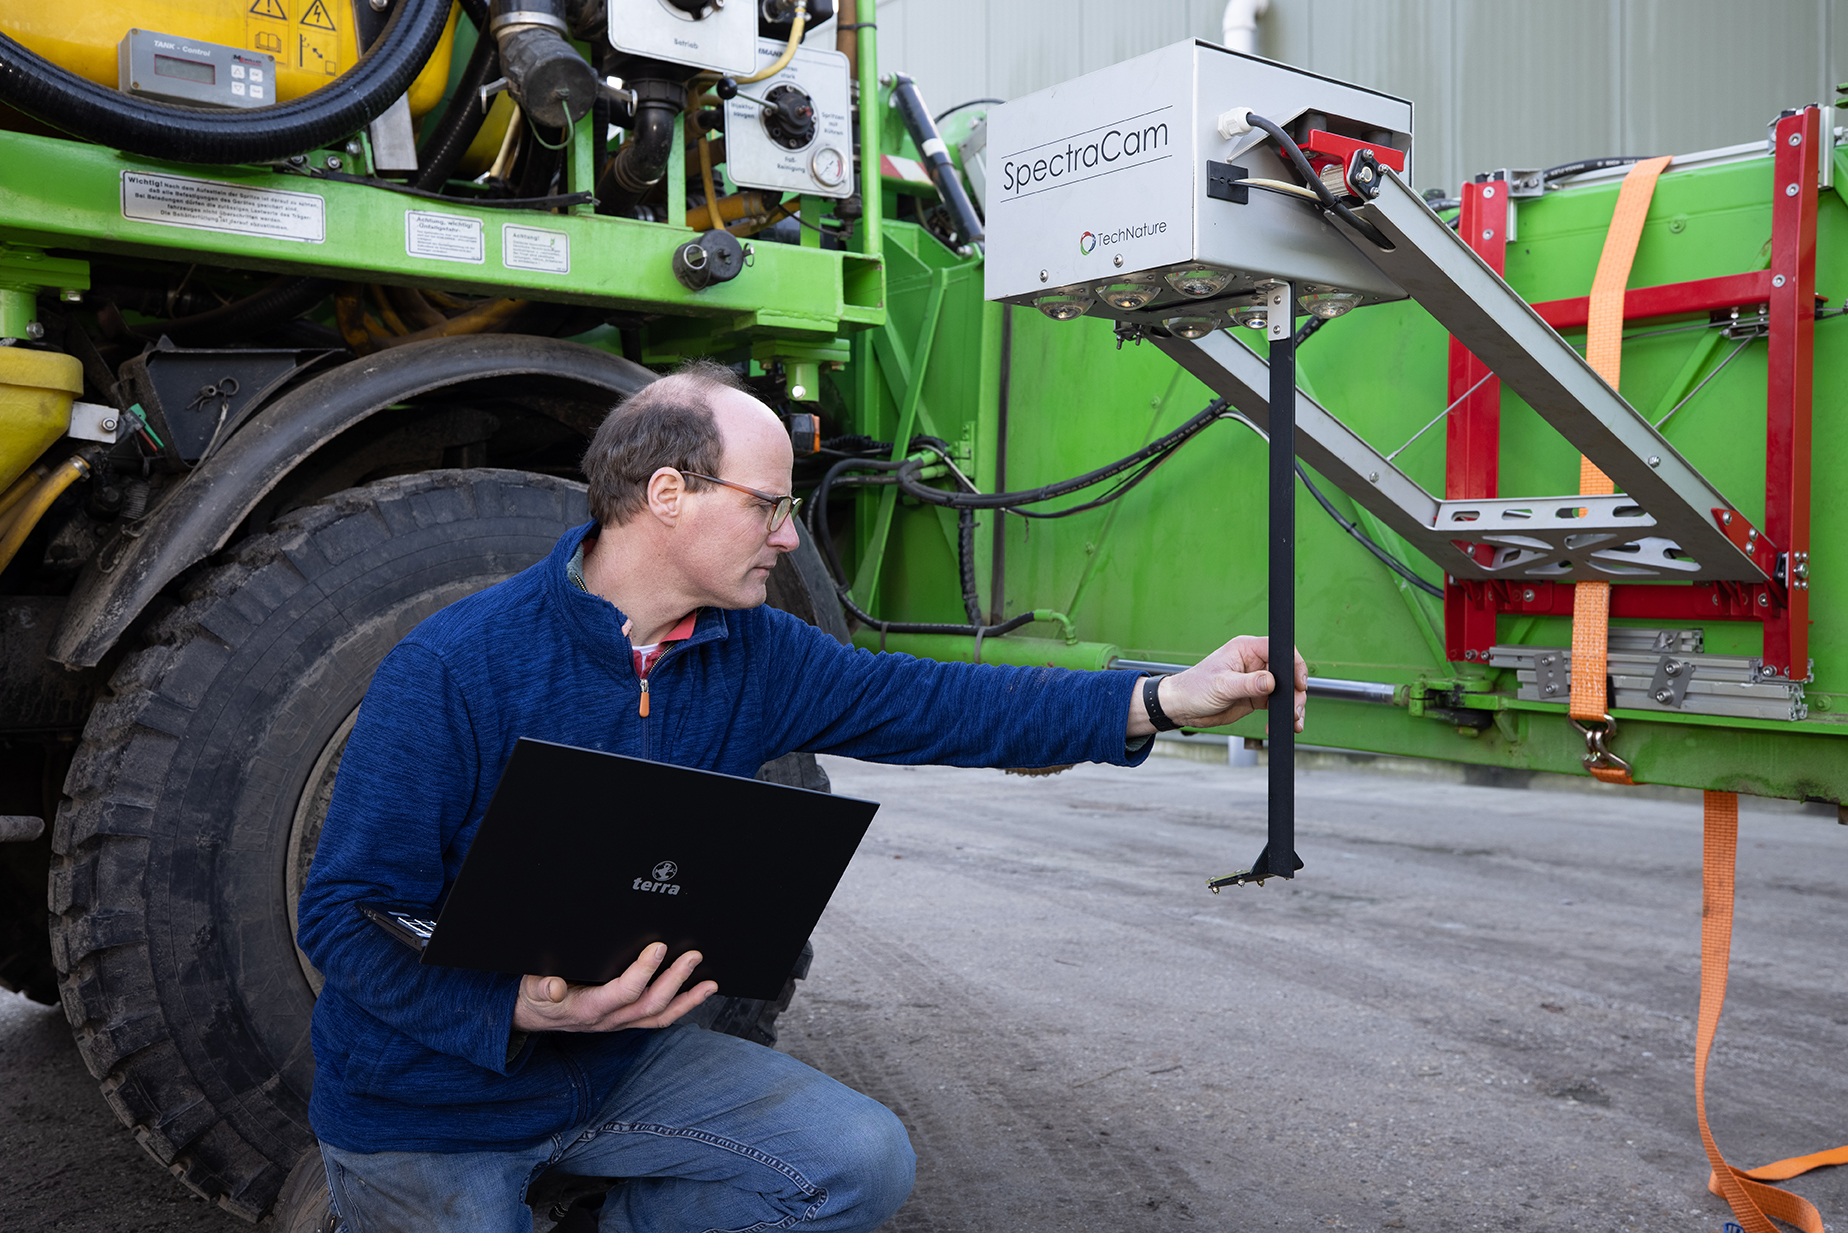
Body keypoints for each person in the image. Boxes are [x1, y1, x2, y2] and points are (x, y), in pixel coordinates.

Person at [296, 360, 1306, 1232]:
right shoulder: (456, 667)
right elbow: (342, 918)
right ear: (668, 494)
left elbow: (938, 702)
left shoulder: (753, 650)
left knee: (857, 1158)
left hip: (614, 1069)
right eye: (769, 503)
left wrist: (1164, 700)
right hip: (431, 1102)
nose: (787, 535)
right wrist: (516, 1005)